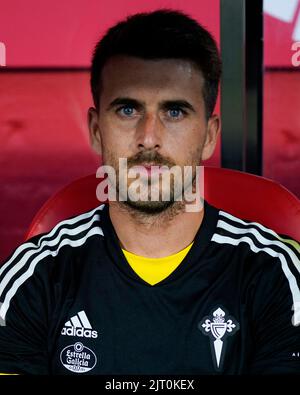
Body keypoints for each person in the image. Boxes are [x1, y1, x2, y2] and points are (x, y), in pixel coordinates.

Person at [0, 9, 299, 375]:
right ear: (96, 129)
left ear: (209, 136)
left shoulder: (276, 273)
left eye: (174, 112)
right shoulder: (35, 276)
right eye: (128, 109)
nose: (149, 138)